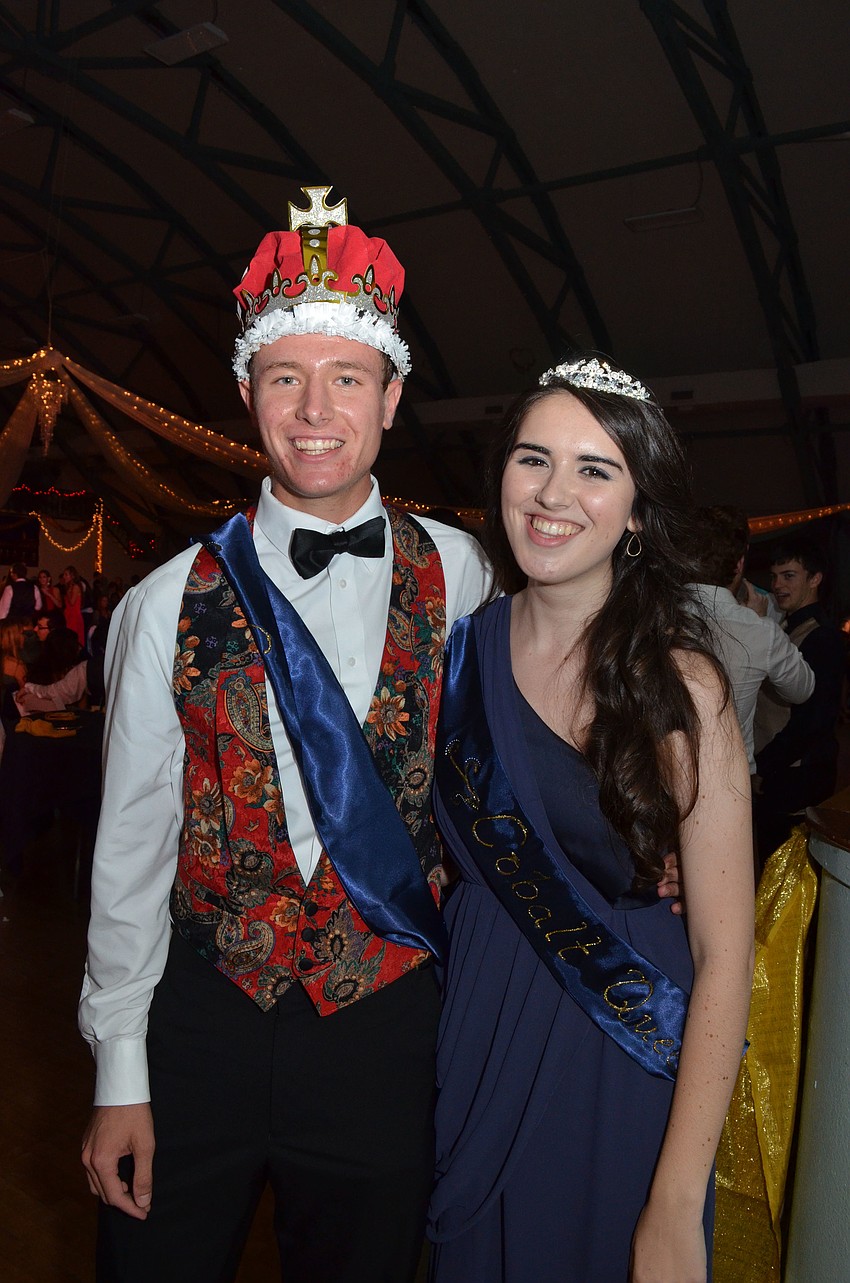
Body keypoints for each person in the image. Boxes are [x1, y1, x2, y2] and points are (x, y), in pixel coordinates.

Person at [78, 186, 492, 1283]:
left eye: (346, 377)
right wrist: (120, 1068)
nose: (315, 409)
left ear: (392, 397)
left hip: (387, 1029)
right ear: (247, 395)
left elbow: (531, 758)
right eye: (284, 376)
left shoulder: (466, 573)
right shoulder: (162, 601)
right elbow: (127, 848)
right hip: (201, 1021)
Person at [426, 357, 755, 1282]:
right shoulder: (456, 655)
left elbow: (727, 957)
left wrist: (677, 1200)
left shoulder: (683, 686)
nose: (553, 493)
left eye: (595, 469)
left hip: (615, 1067)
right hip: (476, 1042)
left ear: (638, 511)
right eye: (534, 459)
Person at [687, 505, 814, 774]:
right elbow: (802, 690)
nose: (778, 585)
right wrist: (761, 622)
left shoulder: (651, 614)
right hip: (729, 777)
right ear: (740, 563)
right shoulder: (760, 631)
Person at [753, 538, 845, 859]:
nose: (777, 585)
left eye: (789, 575)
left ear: (815, 579)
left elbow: (814, 722)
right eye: (774, 576)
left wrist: (764, 766)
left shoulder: (822, 638)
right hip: (782, 773)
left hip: (795, 778)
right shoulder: (788, 627)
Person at [61, 565, 86, 646]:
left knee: (73, 637)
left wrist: (68, 592)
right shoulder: (69, 587)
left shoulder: (75, 587)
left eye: (66, 574)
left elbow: (72, 602)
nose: (64, 577)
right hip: (69, 615)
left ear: (72, 576)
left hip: (74, 616)